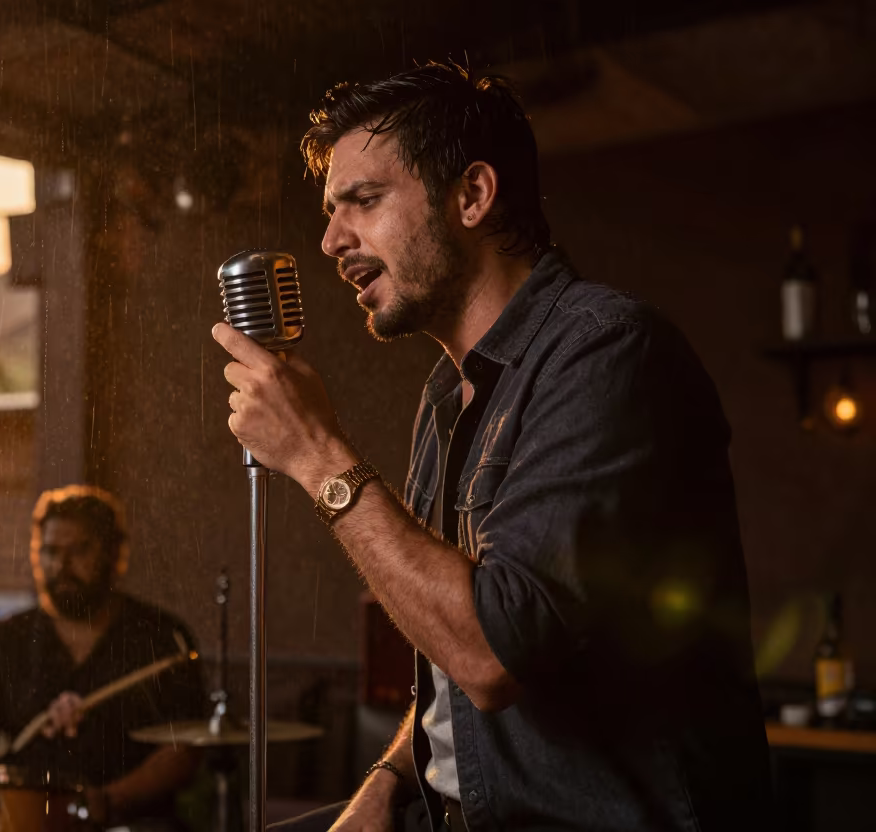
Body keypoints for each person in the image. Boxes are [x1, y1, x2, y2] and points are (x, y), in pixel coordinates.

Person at [212, 62, 771, 831]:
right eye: (332, 211)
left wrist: (314, 451)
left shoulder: (608, 353)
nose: (333, 239)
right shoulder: (447, 397)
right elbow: (446, 650)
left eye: (364, 202)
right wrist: (384, 782)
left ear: (472, 195)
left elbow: (491, 654)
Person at [0, 484, 205, 828]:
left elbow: (184, 750)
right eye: (51, 551)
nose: (62, 565)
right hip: (30, 820)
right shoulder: (7, 638)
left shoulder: (160, 637)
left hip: (133, 821)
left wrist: (109, 800)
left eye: (79, 551)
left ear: (116, 553)